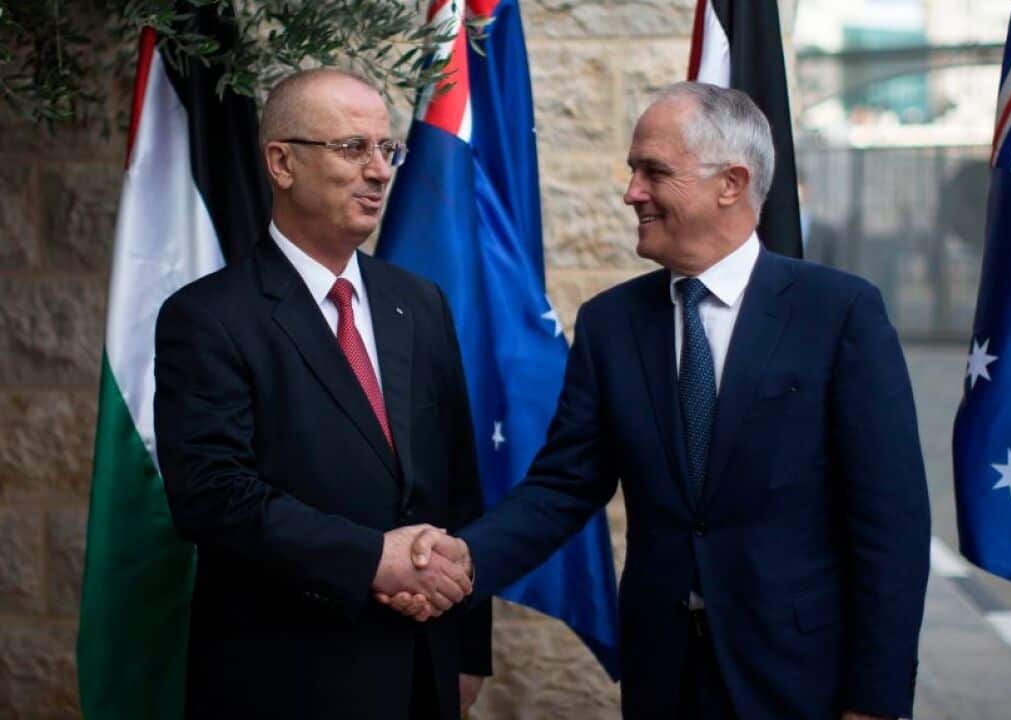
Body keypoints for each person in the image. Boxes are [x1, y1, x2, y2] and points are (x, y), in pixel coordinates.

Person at [396, 82, 931, 719]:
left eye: (653, 172)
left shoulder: (840, 313)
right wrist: (467, 557)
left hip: (800, 680)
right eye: (632, 172)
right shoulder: (610, 324)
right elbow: (563, 487)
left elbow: (890, 528)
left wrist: (875, 701)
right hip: (663, 677)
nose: (632, 193)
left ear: (730, 183)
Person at [153, 68, 490, 720]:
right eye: (351, 148)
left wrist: (470, 645)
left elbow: (458, 483)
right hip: (285, 679)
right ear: (281, 162)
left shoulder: (418, 304)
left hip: (423, 669)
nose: (379, 171)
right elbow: (211, 496)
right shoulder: (209, 316)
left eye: (386, 149)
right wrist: (372, 559)